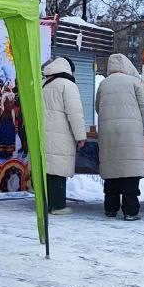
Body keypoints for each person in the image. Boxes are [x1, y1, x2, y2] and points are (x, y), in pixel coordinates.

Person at [95, 53, 144, 220]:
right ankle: (130, 210)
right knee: (130, 171)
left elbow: (98, 107)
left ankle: (110, 207)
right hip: (131, 131)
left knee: (112, 170)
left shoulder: (103, 84)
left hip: (108, 130)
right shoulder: (134, 82)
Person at [42, 57, 86, 216]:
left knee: (47, 170)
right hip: (61, 135)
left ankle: (46, 204)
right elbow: (75, 114)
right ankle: (58, 206)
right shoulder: (68, 85)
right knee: (58, 171)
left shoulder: (43, 84)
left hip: (44, 135)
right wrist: (80, 136)